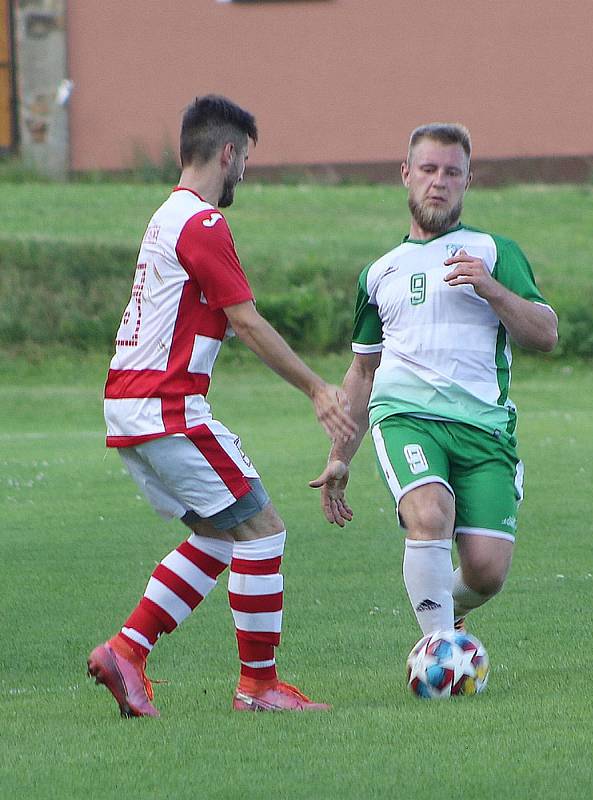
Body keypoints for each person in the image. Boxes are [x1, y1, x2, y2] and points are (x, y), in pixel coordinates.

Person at [87, 94, 356, 716]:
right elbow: (249, 321)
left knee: (218, 533)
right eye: (245, 162)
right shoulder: (203, 223)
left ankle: (125, 651)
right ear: (228, 153)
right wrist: (318, 389)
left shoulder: (165, 217)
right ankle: (258, 688)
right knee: (263, 528)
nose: (244, 176)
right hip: (167, 408)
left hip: (132, 408)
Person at [311, 123, 558, 641]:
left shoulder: (494, 251)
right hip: (406, 417)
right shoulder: (380, 273)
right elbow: (363, 371)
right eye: (428, 170)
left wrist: (493, 290)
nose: (438, 182)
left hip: (485, 429)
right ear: (406, 175)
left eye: (452, 172)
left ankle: (445, 613)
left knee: (486, 572)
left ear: (469, 181)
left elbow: (546, 334)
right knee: (429, 512)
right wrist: (339, 454)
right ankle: (439, 652)